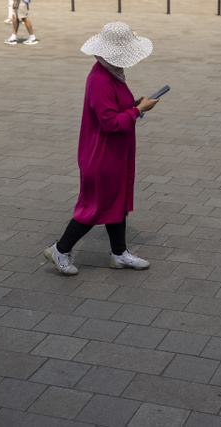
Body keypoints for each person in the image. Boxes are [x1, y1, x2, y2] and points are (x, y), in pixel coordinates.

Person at [43, 21, 159, 275]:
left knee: (116, 203)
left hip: (114, 153)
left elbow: (117, 111)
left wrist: (134, 105)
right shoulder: (100, 79)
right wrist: (138, 110)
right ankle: (60, 250)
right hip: (102, 155)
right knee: (93, 207)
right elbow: (110, 122)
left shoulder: (111, 73)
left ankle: (119, 253)